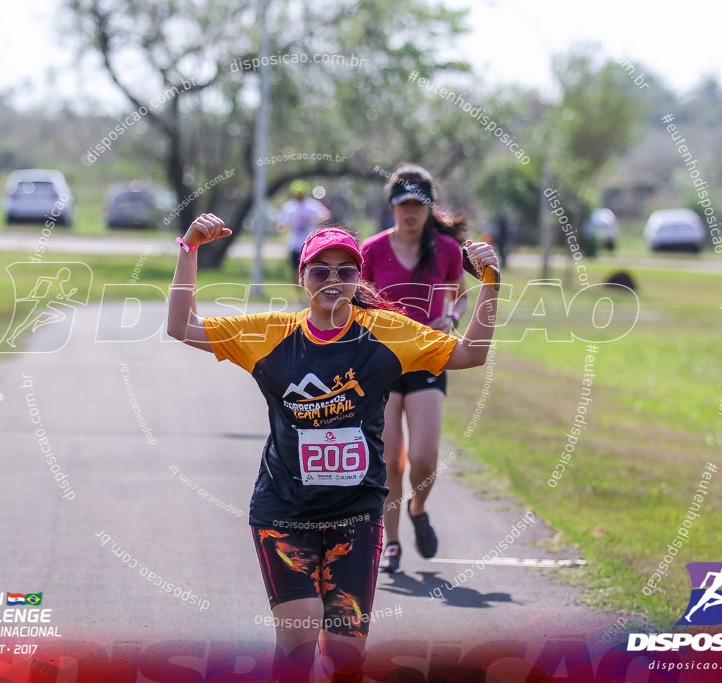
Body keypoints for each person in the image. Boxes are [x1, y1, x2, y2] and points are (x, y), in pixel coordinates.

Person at [168, 216, 499, 682]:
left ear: (358, 278)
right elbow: (181, 326)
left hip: (356, 515)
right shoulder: (270, 333)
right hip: (284, 512)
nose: (333, 280)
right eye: (320, 270)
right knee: (299, 641)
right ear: (302, 277)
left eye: (346, 271)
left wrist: (491, 286)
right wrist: (190, 247)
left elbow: (471, 354)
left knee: (344, 657)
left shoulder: (387, 331)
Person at [360, 163, 468, 574]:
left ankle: (418, 509)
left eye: (418, 206)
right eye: (403, 204)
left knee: (424, 457)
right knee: (389, 459)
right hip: (383, 362)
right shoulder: (371, 249)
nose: (410, 213)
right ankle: (391, 543)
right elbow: (358, 300)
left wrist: (451, 319)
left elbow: (461, 298)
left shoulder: (447, 251)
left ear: (429, 208)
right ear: (392, 206)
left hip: (427, 357)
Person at [278, 180, 331, 282]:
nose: (299, 196)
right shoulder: (289, 207)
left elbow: (326, 214)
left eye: (301, 193)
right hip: (294, 244)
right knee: (295, 271)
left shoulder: (312, 205)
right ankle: (299, 295)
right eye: (297, 194)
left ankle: (308, 293)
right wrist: (284, 226)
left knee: (310, 269)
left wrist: (318, 219)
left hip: (310, 243)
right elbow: (281, 224)